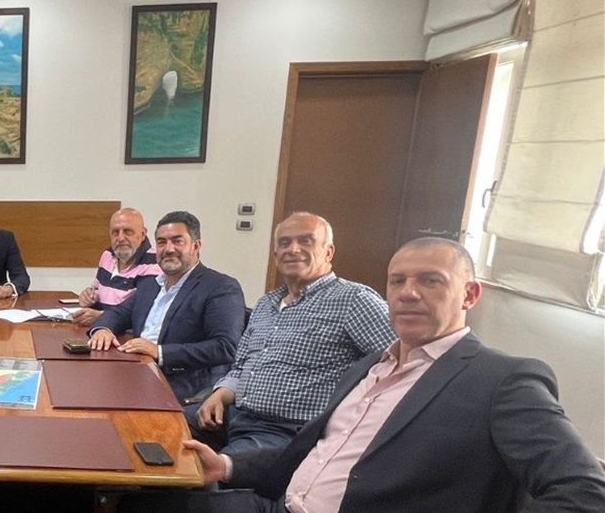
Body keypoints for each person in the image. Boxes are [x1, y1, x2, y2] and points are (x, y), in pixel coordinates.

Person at [159, 238, 605, 513]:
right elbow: (314, 452)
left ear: (469, 294)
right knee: (143, 500)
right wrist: (228, 465)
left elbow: (584, 492)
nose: (408, 293)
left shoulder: (503, 381)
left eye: (430, 281)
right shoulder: (369, 367)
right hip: (279, 502)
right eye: (397, 281)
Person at [190, 212, 394, 454]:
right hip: (235, 415)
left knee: (210, 467)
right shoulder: (266, 303)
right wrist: (220, 395)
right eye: (285, 243)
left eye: (306, 241)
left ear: (328, 252)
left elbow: (405, 363)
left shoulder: (354, 300)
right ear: (276, 255)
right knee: (161, 428)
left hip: (288, 432)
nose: (293, 249)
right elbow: (241, 366)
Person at [87, 211, 246, 401]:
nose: (168, 249)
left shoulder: (219, 287)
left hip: (179, 385)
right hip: (135, 371)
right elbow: (120, 312)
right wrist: (102, 329)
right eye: (162, 242)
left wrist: (159, 352)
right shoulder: (152, 284)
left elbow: (226, 347)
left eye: (177, 241)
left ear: (196, 246)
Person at [71, 207, 162, 327]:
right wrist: (88, 296)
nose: (120, 238)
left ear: (142, 234)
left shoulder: (154, 263)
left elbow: (142, 311)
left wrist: (101, 316)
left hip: (128, 333)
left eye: (128, 231)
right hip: (100, 328)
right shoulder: (107, 255)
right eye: (115, 232)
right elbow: (96, 289)